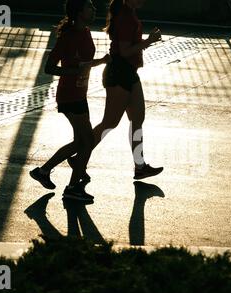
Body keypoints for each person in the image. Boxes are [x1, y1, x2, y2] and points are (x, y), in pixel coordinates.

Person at [69, 0, 164, 180]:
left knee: (137, 118)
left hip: (128, 72)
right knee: (110, 122)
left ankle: (140, 165)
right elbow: (125, 51)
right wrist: (148, 41)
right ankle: (79, 157)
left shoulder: (128, 13)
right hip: (120, 72)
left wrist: (147, 42)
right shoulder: (125, 17)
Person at [30, 0, 110, 201]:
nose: (93, 8)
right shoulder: (68, 36)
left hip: (79, 94)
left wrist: (102, 61)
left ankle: (44, 171)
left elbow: (84, 62)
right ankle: (73, 187)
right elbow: (49, 67)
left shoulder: (85, 32)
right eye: (89, 6)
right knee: (87, 141)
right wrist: (72, 71)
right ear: (79, 12)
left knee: (80, 141)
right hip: (69, 95)